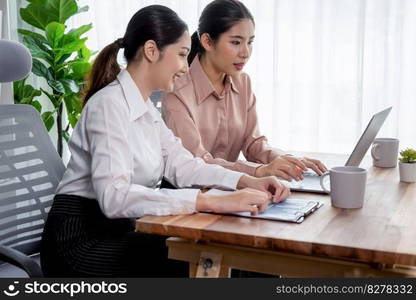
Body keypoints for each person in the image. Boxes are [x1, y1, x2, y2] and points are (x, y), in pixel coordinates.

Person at [40, 5, 290, 277]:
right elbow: (114, 197)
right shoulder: (108, 105)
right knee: (205, 259)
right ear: (151, 51)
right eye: (182, 55)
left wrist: (247, 182)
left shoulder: (145, 109)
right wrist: (209, 202)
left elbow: (185, 166)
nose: (185, 67)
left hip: (120, 231)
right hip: (79, 244)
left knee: (236, 256)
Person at [162, 0, 328, 183]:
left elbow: (254, 144)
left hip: (233, 193)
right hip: (190, 199)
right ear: (207, 41)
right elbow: (196, 163)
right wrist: (259, 171)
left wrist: (286, 160)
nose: (246, 53)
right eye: (236, 42)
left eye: (250, 42)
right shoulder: (177, 91)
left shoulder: (243, 83)